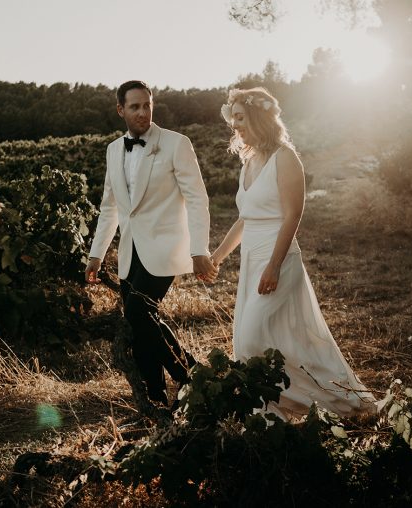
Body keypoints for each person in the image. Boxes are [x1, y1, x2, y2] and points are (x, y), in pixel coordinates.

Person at [210, 87, 376, 421]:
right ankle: (273, 415)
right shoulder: (249, 162)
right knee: (256, 343)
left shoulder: (285, 158)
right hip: (251, 261)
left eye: (241, 118)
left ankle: (345, 405)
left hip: (278, 259)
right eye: (234, 119)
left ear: (259, 117)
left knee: (253, 339)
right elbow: (245, 219)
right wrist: (217, 256)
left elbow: (292, 215)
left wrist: (273, 265)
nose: (235, 126)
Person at [85, 80, 217, 406]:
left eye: (147, 105)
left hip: (165, 247)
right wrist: (96, 255)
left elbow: (197, 200)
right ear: (121, 110)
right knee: (140, 324)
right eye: (135, 107)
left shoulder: (176, 144)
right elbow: (110, 207)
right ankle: (157, 404)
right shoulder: (114, 150)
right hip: (130, 252)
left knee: (137, 312)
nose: (143, 112)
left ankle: (193, 377)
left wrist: (199, 249)